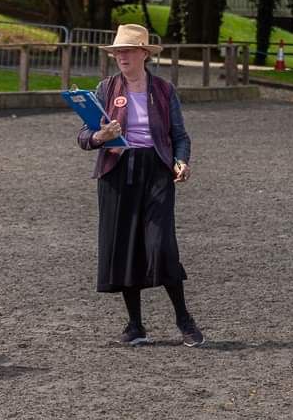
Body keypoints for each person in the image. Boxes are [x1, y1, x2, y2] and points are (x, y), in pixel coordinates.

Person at [77, 24, 204, 346]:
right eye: (118, 51)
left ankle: (184, 319)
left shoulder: (163, 90)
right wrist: (98, 137)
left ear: (144, 54)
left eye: (128, 50)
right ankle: (135, 325)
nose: (121, 56)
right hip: (116, 174)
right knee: (125, 247)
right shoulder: (105, 89)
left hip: (156, 171)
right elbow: (83, 136)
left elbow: (180, 135)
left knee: (162, 245)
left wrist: (182, 161)